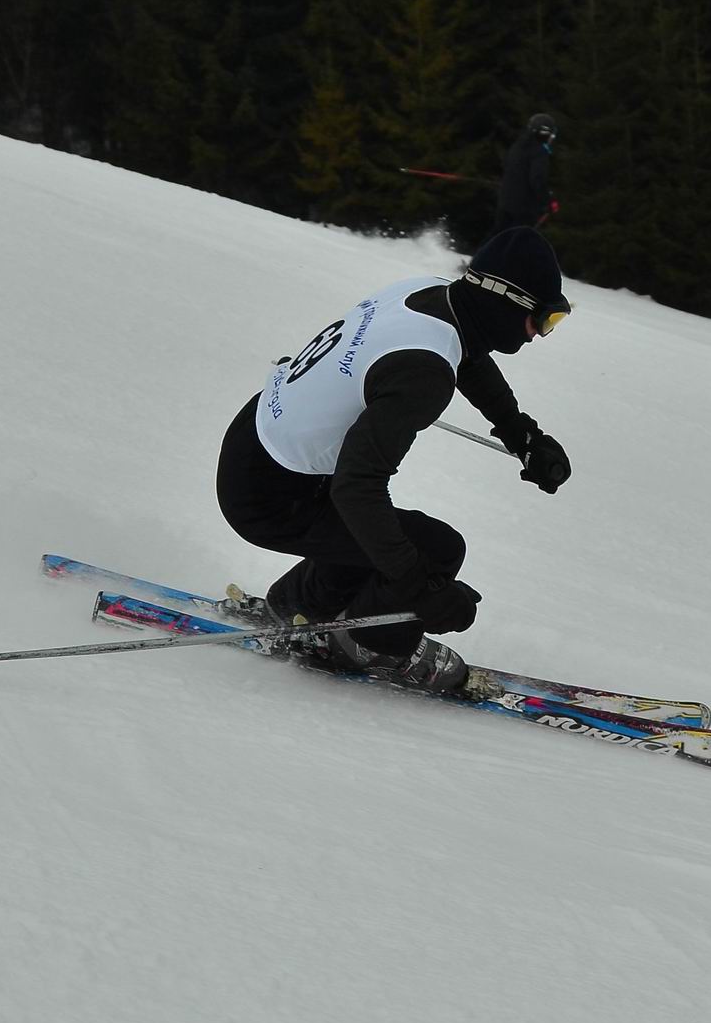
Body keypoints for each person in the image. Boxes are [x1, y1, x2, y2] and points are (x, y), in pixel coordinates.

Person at [215, 226, 576, 692]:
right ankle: (369, 645)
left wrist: (520, 432)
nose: (540, 334)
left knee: (382, 536)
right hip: (269, 496)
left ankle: (295, 609)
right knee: (435, 549)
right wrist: (422, 588)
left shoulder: (428, 294)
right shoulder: (424, 374)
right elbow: (357, 488)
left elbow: (466, 354)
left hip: (258, 443)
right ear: (507, 301)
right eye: (544, 319)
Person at [492, 113, 559, 237]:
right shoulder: (539, 152)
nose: (552, 138)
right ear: (544, 134)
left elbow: (509, 166)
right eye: (551, 135)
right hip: (523, 208)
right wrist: (549, 201)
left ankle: (484, 250)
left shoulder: (518, 145)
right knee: (518, 239)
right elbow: (537, 180)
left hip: (505, 201)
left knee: (499, 235)